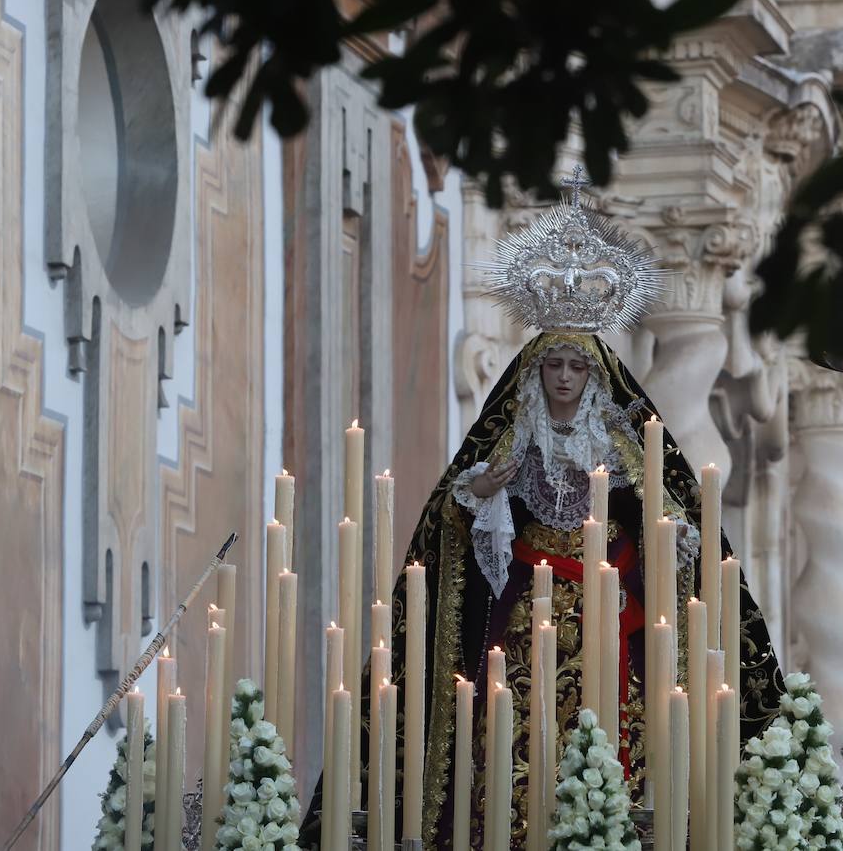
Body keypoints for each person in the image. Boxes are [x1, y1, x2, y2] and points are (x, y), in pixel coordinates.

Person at [302, 176, 783, 848]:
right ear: (536, 372)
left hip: (610, 612)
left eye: (575, 368)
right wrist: (479, 495)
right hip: (526, 609)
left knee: (617, 724)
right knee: (508, 726)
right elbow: (450, 531)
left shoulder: (621, 442)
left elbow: (668, 516)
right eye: (553, 364)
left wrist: (667, 530)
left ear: (593, 376)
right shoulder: (512, 439)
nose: (562, 376)